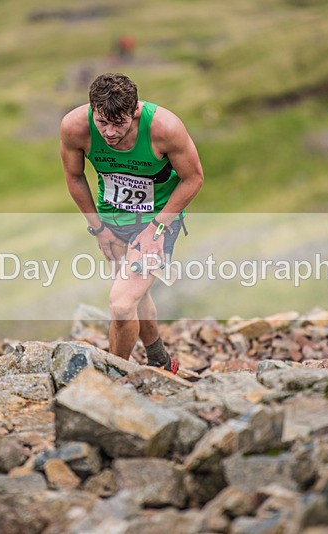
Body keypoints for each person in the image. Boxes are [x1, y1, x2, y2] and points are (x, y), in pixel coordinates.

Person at [60, 72, 204, 373]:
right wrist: (99, 228)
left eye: (119, 123)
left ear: (135, 110)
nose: (110, 133)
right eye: (102, 123)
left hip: (159, 220)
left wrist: (157, 229)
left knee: (122, 303)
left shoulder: (165, 128)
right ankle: (161, 361)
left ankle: (115, 376)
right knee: (138, 294)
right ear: (92, 110)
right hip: (112, 221)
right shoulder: (75, 127)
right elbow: (74, 176)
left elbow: (194, 178)